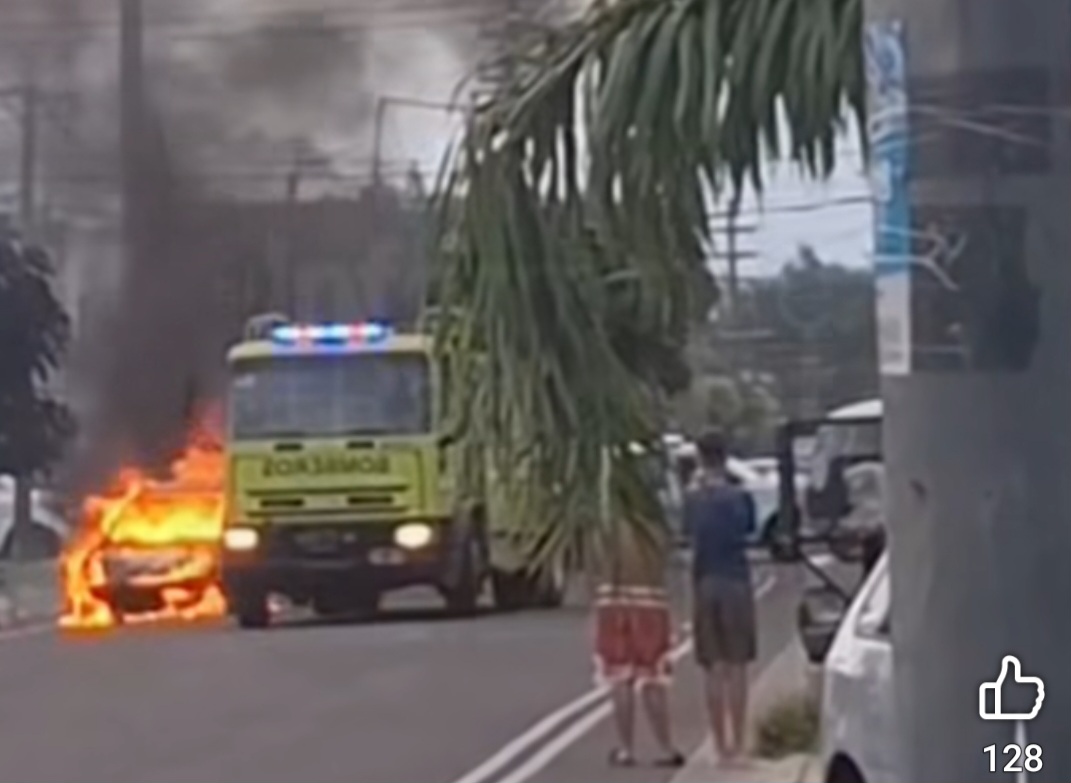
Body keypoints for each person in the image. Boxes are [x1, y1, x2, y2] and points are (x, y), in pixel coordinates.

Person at [683, 430, 758, 764]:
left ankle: (719, 747)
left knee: (712, 666)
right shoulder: (739, 497)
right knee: (737, 666)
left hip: (704, 580)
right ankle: (739, 745)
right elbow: (749, 530)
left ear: (699, 457)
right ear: (726, 457)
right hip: (735, 578)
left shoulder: (692, 498)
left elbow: (687, 534)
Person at [593, 517, 686, 768]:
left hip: (613, 599)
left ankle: (626, 748)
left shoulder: (607, 521)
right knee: (653, 676)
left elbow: (596, 558)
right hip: (650, 600)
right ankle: (666, 747)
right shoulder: (652, 524)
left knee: (620, 677)